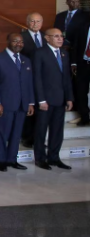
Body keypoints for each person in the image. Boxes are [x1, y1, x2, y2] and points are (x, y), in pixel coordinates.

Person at [0, 33, 34, 172]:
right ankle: (1, 160)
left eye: (21, 42)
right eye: (15, 41)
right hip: (4, 103)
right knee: (2, 133)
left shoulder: (26, 60)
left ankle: (12, 159)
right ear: (8, 41)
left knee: (16, 134)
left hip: (22, 104)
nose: (18, 44)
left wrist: (31, 102)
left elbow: (29, 84)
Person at [33, 28, 74, 170]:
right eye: (56, 36)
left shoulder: (64, 53)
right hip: (46, 100)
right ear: (47, 38)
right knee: (41, 130)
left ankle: (54, 158)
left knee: (57, 131)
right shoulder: (40, 53)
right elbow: (37, 78)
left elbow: (67, 77)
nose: (60, 39)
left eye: (61, 36)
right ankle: (40, 159)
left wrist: (69, 97)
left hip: (61, 99)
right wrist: (41, 100)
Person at [20, 12, 44, 146]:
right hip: (27, 77)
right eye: (32, 21)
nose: (35, 24)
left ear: (42, 23)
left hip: (43, 78)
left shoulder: (47, 37)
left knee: (41, 112)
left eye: (38, 21)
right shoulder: (21, 37)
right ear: (27, 22)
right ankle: (27, 137)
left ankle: (38, 138)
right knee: (29, 109)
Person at [71, 18, 90, 126]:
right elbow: (76, 45)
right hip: (83, 63)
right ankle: (85, 117)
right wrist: (74, 63)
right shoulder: (83, 26)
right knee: (81, 91)